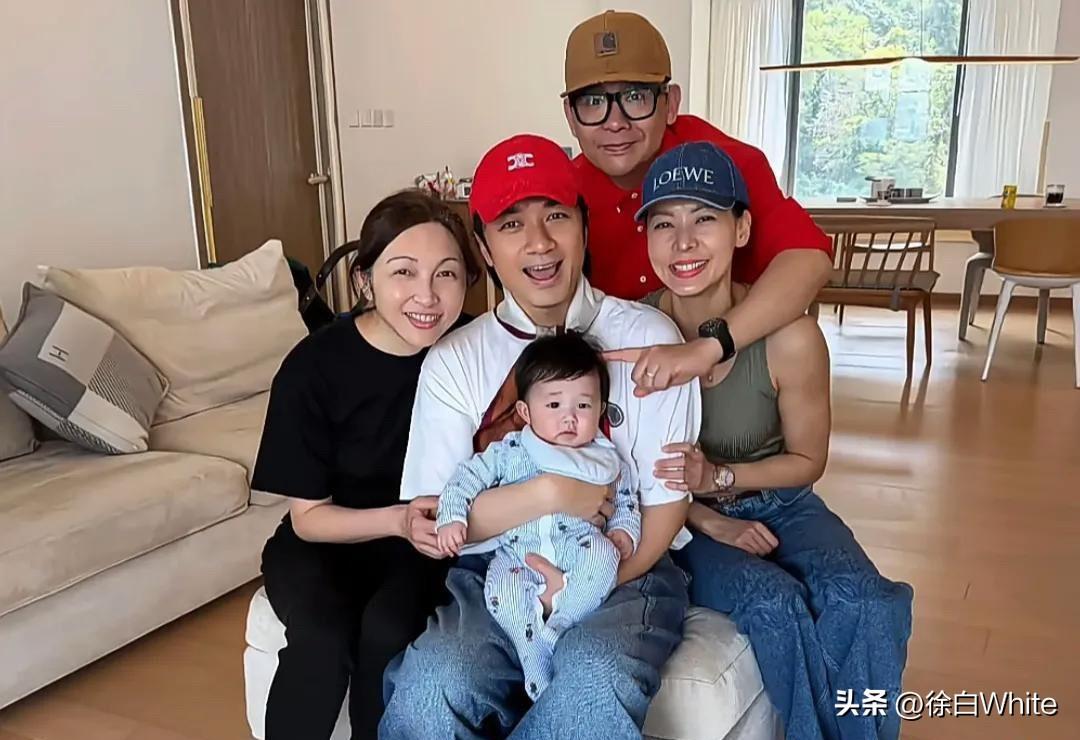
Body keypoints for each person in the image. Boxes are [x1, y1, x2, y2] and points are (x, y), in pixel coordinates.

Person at [379, 134, 701, 740]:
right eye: (511, 224)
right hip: (500, 572)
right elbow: (438, 518)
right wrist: (551, 494)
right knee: (430, 690)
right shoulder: (456, 359)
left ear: (584, 226)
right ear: (483, 246)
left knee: (593, 679)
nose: (539, 242)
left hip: (626, 568)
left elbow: (663, 506)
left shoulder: (649, 338)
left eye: (556, 215)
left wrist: (584, 585)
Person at [636, 141, 914, 740]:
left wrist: (721, 477)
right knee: (773, 603)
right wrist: (710, 515)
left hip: (783, 504)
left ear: (741, 230)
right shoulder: (629, 331)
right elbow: (620, 471)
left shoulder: (791, 337)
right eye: (664, 224)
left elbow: (808, 462)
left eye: (704, 219)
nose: (683, 243)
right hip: (684, 524)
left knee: (867, 602)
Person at [251, 189, 480, 739]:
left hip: (423, 547)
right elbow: (309, 518)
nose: (427, 295)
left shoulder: (476, 350)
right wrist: (397, 519)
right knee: (323, 636)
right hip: (327, 539)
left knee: (387, 630)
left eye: (447, 274)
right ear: (364, 280)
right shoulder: (313, 367)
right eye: (404, 272)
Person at [562, 10, 833, 396]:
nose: (615, 122)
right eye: (592, 102)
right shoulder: (561, 199)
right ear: (571, 117)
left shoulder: (726, 165)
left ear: (671, 102)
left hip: (732, 376)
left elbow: (809, 258)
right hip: (623, 392)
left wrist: (710, 347)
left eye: (636, 97)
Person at [435, 332, 640, 701]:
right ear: (526, 412)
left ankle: (559, 624)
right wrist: (452, 517)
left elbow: (626, 500)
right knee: (502, 590)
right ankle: (532, 650)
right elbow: (465, 478)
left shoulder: (604, 460)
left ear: (600, 409)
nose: (569, 417)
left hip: (579, 550)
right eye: (554, 404)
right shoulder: (511, 451)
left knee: (605, 556)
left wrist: (624, 531)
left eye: (583, 405)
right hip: (518, 556)